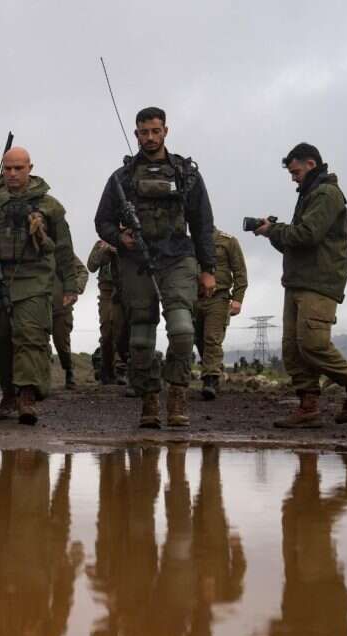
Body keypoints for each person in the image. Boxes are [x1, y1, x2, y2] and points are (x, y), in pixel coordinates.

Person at [94, 106, 216, 428]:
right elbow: (102, 221)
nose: (149, 137)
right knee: (140, 340)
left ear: (165, 131)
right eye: (144, 132)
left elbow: (203, 224)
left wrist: (208, 269)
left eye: (155, 131)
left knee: (182, 330)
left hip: (177, 257)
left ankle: (177, 392)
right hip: (137, 262)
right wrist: (121, 238)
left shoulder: (185, 174)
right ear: (136, 134)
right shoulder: (121, 179)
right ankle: (149, 398)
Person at [252, 143, 347, 427]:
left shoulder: (327, 194)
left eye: (295, 171)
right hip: (298, 280)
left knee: (313, 343)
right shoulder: (310, 195)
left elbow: (307, 235)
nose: (293, 178)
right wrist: (272, 234)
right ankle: (308, 408)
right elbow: (297, 244)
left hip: (319, 281)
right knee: (292, 350)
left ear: (310, 164)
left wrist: (274, 229)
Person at [0, 147, 78, 425]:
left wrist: (70, 285)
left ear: (29, 168)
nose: (12, 173)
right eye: (8, 168)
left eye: (18, 168)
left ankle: (27, 396)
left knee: (29, 336)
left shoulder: (49, 206)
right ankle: (8, 390)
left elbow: (63, 249)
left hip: (33, 278)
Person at [194, 227, 248, 399]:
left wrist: (238, 299)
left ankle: (210, 379)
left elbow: (240, 271)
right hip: (194, 297)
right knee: (196, 338)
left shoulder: (228, 241)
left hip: (219, 297)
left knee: (212, 338)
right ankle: (214, 371)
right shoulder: (190, 242)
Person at [87, 239, 126, 385]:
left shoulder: (128, 239)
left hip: (124, 288)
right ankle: (107, 371)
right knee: (107, 329)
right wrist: (103, 250)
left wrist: (119, 250)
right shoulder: (100, 243)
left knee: (120, 328)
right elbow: (91, 266)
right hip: (106, 291)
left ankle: (121, 368)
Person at [51, 253, 88, 388]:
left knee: (62, 344)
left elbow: (82, 271)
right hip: (37, 304)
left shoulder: (62, 250)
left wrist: (74, 289)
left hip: (61, 306)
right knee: (36, 342)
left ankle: (68, 370)